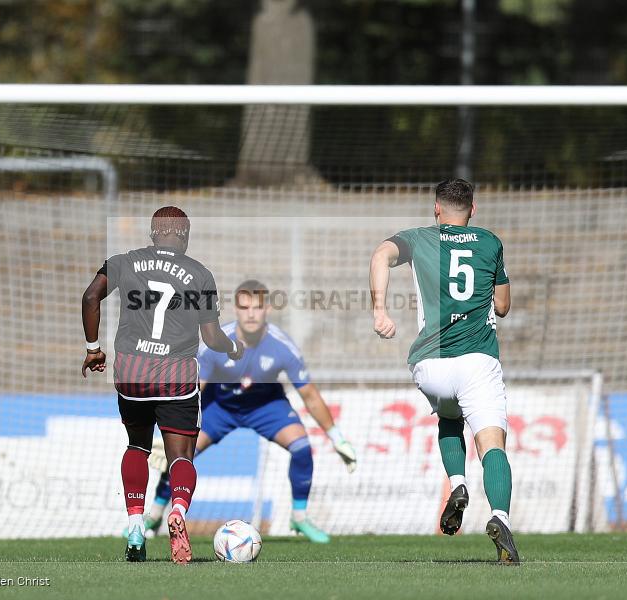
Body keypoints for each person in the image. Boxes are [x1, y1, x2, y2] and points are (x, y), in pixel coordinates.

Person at [81, 206, 244, 564]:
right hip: (175, 378)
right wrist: (232, 348)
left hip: (131, 374)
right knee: (181, 457)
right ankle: (178, 512)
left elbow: (91, 296)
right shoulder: (200, 274)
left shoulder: (124, 261)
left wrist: (94, 349)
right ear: (184, 235)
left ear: (153, 233)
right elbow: (213, 337)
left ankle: (136, 526)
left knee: (137, 446)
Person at [368, 178, 518, 565]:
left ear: (437, 208)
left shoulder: (419, 238)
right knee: (492, 445)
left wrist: (380, 310)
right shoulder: (489, 242)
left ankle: (458, 484)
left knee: (449, 418)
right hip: (477, 360)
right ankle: (499, 518)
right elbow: (502, 306)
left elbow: (380, 255)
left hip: (430, 364)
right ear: (473, 209)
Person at [144, 280, 357, 543]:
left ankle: (299, 518)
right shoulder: (216, 343)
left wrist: (337, 437)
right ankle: (153, 516)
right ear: (236, 309)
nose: (251, 314)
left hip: (265, 406)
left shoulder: (283, 346)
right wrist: (169, 431)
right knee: (180, 453)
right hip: (219, 407)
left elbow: (309, 395)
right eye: (245, 308)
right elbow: (191, 390)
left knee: (302, 447)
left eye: (257, 307)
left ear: (267, 308)